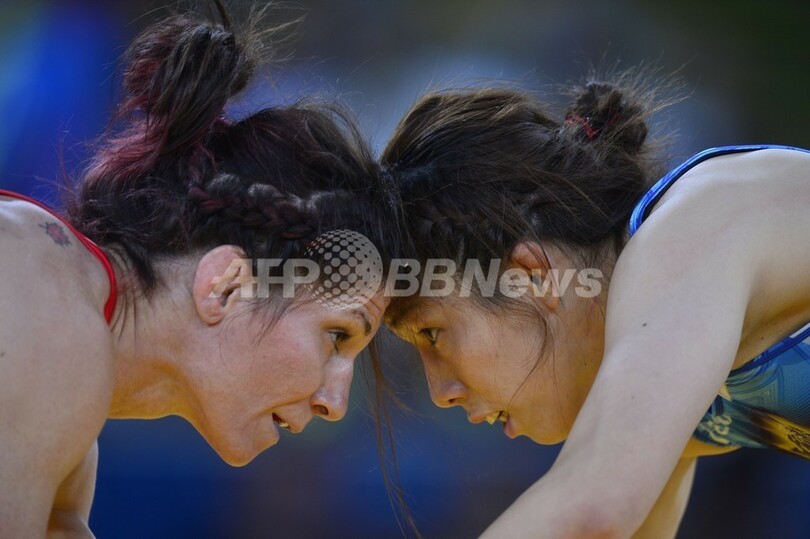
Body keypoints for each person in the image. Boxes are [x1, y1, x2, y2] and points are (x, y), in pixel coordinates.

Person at [0, 2, 398, 536]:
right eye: (335, 336)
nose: (334, 403)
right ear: (228, 287)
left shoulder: (70, 410)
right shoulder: (54, 329)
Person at [380, 75, 810, 538]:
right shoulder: (670, 371)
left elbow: (592, 512)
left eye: (432, 334)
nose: (440, 392)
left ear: (531, 276)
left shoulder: (691, 229)